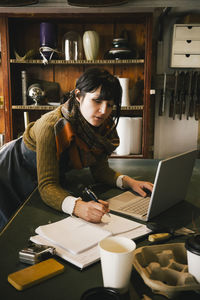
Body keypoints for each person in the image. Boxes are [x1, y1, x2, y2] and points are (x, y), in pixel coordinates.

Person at [0, 67, 153, 230]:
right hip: (12, 171)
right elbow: (47, 186)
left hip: (49, 173)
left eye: (110, 105)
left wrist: (129, 182)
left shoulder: (103, 125)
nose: (103, 111)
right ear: (79, 96)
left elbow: (100, 171)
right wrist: (78, 207)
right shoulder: (51, 126)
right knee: (13, 227)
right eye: (97, 101)